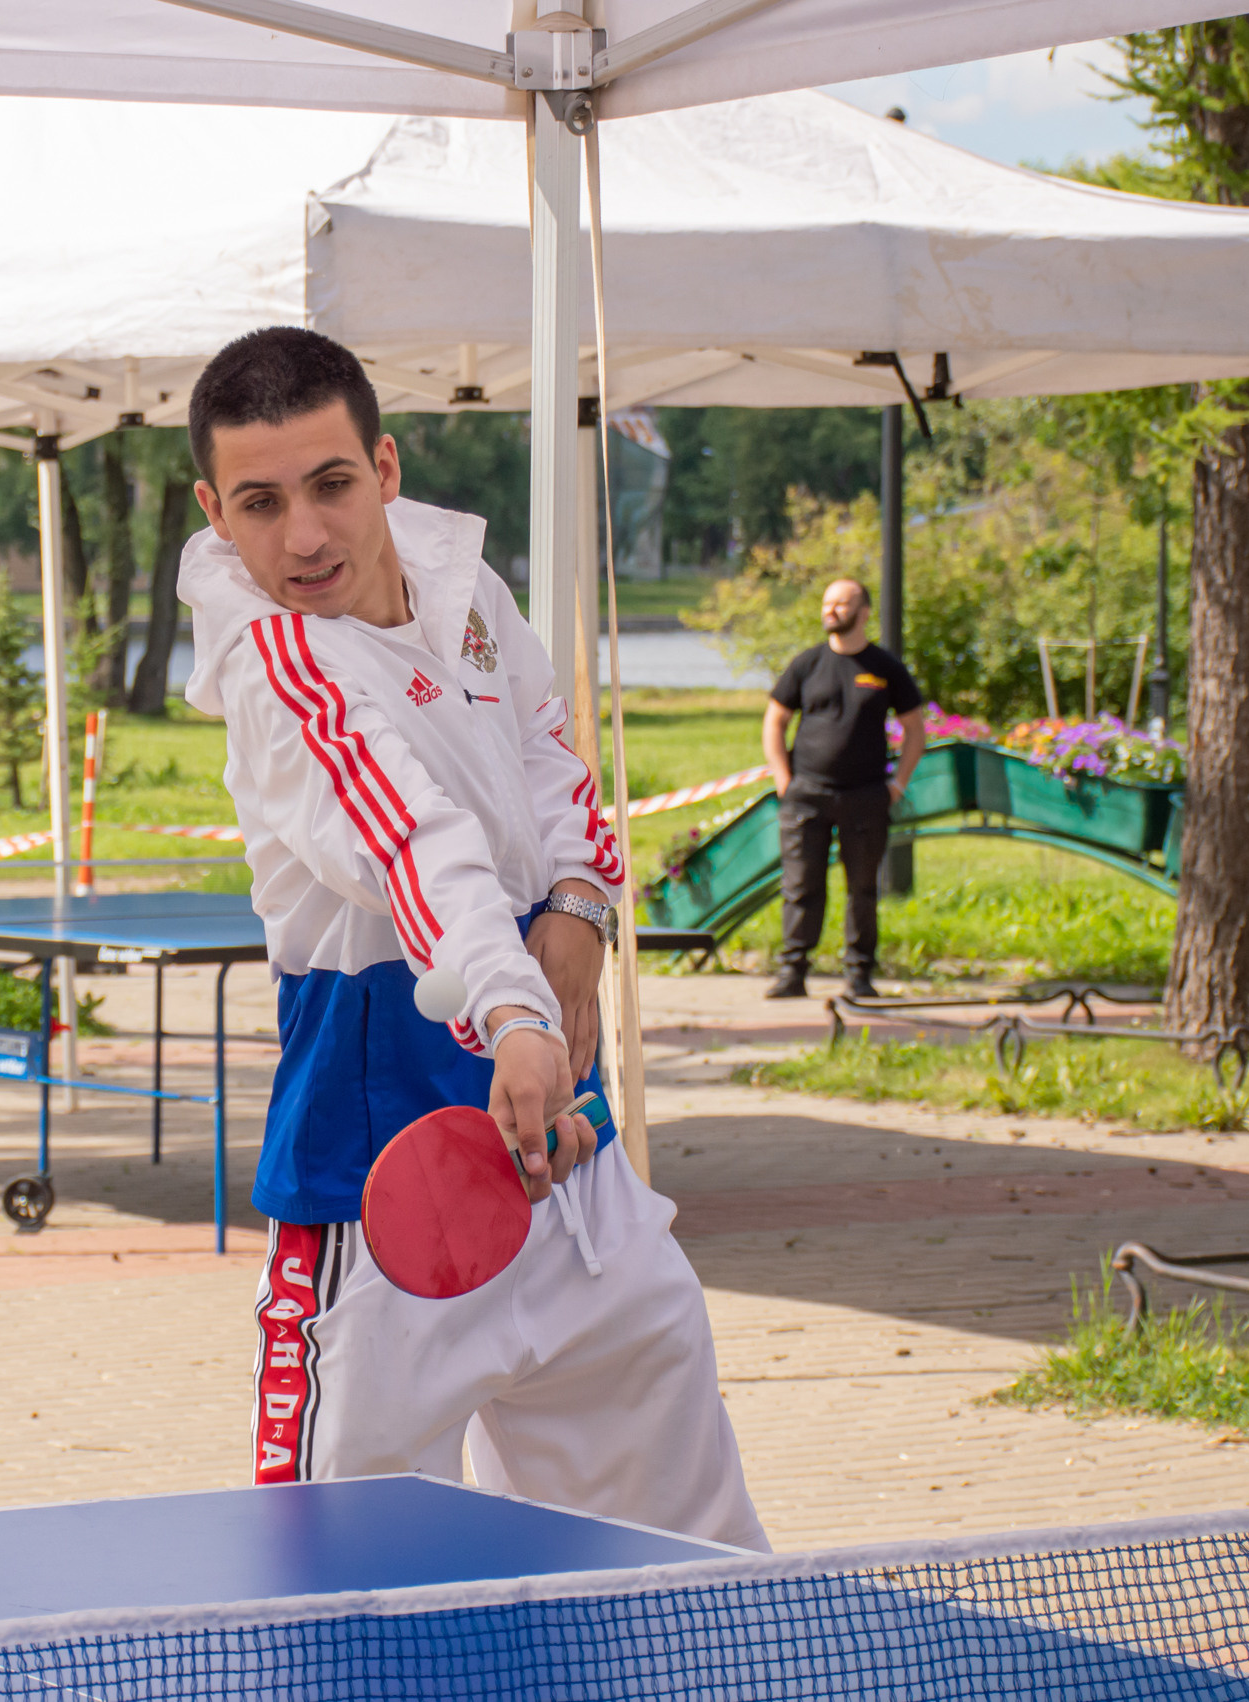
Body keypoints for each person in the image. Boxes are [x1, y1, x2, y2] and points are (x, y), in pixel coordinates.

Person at [180, 327, 767, 1551]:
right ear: (213, 511)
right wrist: (515, 1008)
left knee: (688, 1563)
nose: (304, 536)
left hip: (563, 1158)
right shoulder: (273, 659)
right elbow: (413, 842)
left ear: (384, 467)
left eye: (331, 485)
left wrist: (579, 906)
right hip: (384, 1192)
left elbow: (552, 764)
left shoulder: (468, 589)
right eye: (261, 502)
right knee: (345, 1603)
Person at [760, 579, 924, 1001]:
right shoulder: (807, 664)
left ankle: (859, 974)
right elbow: (774, 721)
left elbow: (914, 730)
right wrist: (784, 780)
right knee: (800, 886)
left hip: (866, 796)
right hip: (806, 795)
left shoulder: (885, 668)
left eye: (842, 602)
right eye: (827, 601)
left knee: (863, 889)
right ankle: (793, 971)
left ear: (864, 611)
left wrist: (898, 784)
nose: (831, 609)